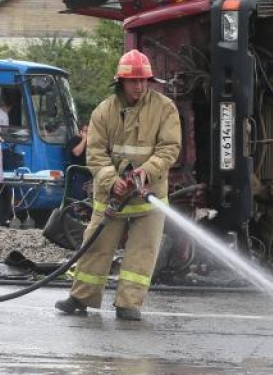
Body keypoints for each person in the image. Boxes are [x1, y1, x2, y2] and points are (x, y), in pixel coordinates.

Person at [54, 49, 181, 321]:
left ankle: (129, 304)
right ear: (121, 82)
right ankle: (81, 297)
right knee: (96, 245)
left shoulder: (164, 108)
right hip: (112, 195)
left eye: (144, 80)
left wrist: (147, 172)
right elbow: (96, 153)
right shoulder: (104, 111)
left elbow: (170, 148)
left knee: (142, 252)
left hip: (149, 194)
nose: (140, 86)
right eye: (134, 81)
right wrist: (113, 182)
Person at [65, 124, 90, 202]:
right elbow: (77, 152)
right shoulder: (74, 139)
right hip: (77, 174)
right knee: (78, 199)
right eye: (86, 131)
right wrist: (84, 139)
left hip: (89, 174)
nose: (88, 133)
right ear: (81, 131)